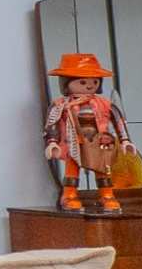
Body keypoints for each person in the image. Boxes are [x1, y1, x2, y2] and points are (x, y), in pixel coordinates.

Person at [42, 51, 128, 211]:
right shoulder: (61, 105)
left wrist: (125, 140)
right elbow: (52, 123)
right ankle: (69, 195)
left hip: (100, 142)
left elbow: (118, 120)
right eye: (82, 82)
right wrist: (52, 142)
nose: (89, 86)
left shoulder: (103, 103)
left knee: (103, 170)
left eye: (94, 81)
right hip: (74, 143)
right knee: (72, 169)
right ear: (66, 82)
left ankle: (107, 195)